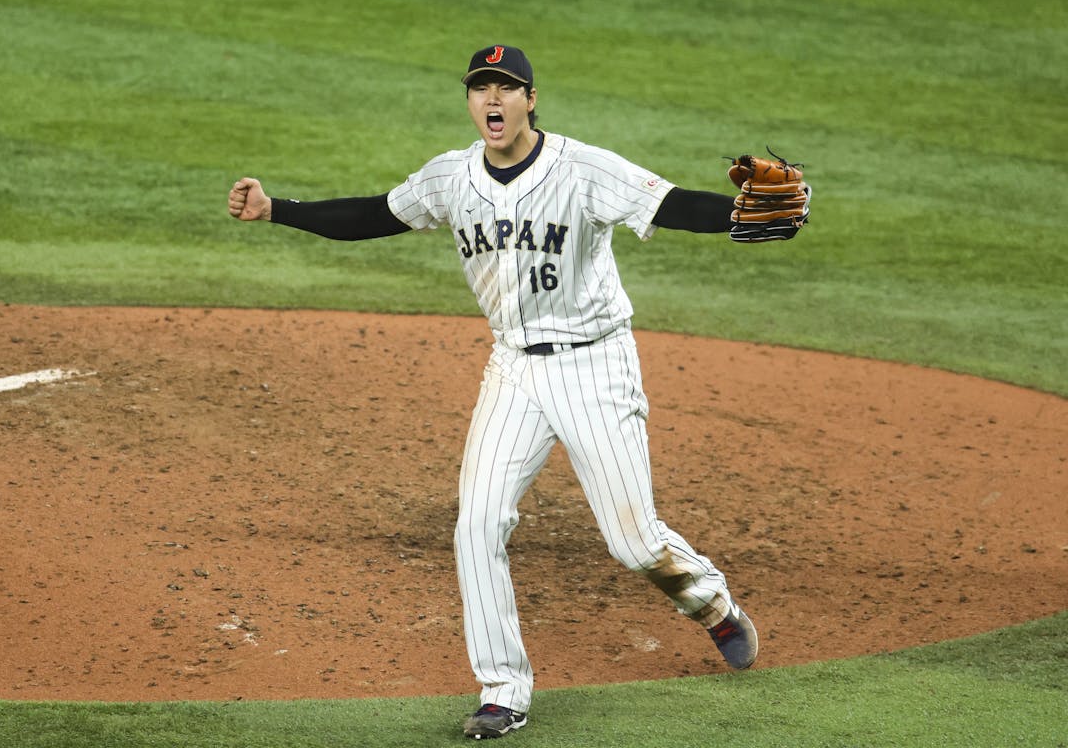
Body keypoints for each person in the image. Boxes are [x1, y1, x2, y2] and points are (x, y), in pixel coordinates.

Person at [229, 45, 777, 740]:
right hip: (514, 369)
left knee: (634, 546)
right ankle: (502, 691)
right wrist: (278, 210)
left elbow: (668, 205)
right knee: (477, 524)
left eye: (505, 88)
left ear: (529, 99)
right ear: (470, 102)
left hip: (595, 366)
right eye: (480, 88)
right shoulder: (452, 178)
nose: (492, 100)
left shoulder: (581, 169)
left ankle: (711, 605)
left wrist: (742, 213)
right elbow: (373, 215)